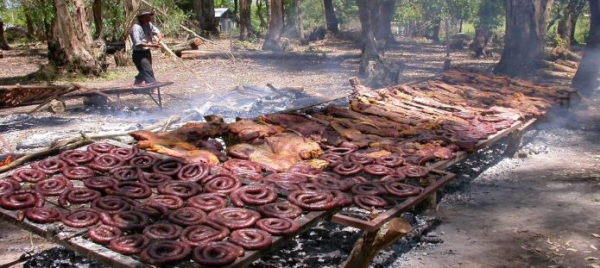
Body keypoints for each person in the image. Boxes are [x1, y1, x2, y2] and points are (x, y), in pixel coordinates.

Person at [130, 10, 163, 85]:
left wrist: (159, 37)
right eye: (146, 17)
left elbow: (157, 31)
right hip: (138, 53)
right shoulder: (136, 28)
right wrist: (152, 45)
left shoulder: (149, 24)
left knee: (143, 71)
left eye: (149, 16)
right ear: (141, 18)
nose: (148, 18)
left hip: (146, 52)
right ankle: (153, 87)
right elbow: (138, 43)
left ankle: (136, 86)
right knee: (148, 70)